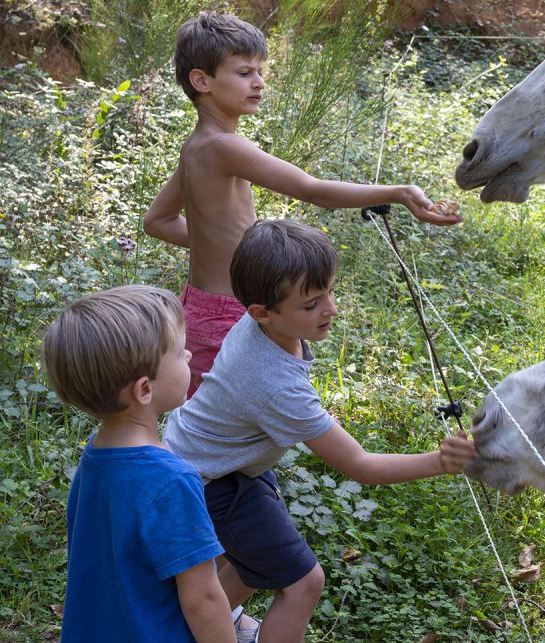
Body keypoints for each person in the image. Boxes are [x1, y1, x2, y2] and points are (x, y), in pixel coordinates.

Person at [165, 219, 477, 643]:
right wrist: (440, 462)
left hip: (206, 456)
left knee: (253, 558)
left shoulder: (263, 324)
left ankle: (199, 626)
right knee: (304, 582)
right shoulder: (276, 387)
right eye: (311, 304)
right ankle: (200, 628)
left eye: (329, 290)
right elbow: (361, 465)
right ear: (261, 312)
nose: (330, 308)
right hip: (210, 479)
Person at [143, 11, 461, 398]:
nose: (258, 82)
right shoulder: (225, 146)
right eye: (244, 73)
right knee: (227, 421)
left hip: (199, 304)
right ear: (202, 80)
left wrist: (218, 246)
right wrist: (398, 193)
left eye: (260, 71)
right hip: (229, 312)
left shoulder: (197, 145)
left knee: (211, 419)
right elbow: (311, 190)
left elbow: (157, 221)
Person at [42, 285, 236, 643]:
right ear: (144, 389)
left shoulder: (96, 456)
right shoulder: (172, 480)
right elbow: (203, 598)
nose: (191, 355)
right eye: (179, 353)